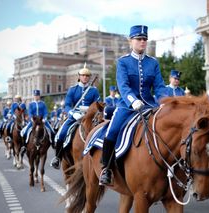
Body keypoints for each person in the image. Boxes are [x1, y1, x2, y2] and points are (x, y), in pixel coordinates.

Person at [99, 25, 167, 185]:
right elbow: (123, 85)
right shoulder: (123, 62)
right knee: (112, 131)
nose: (142, 42)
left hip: (150, 105)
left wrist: (164, 102)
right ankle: (106, 169)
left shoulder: (153, 63)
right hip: (127, 106)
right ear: (131, 41)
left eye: (145, 39)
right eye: (139, 39)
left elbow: (159, 86)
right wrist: (132, 100)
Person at [50, 64, 100, 169]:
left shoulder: (94, 90)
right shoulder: (73, 89)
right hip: (75, 116)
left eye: (87, 76)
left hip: (89, 116)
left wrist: (90, 111)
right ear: (79, 76)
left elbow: (97, 104)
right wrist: (73, 113)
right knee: (61, 134)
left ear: (89, 77)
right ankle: (57, 158)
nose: (85, 77)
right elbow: (67, 105)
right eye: (83, 75)